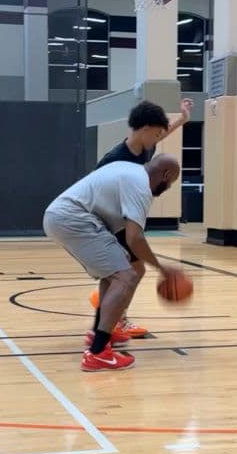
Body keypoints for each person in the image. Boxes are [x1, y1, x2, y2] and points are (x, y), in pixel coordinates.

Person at [44, 154, 184, 372]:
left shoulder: (128, 170)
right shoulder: (141, 187)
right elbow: (134, 238)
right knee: (124, 276)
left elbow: (125, 236)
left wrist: (139, 262)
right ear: (165, 174)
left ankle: (99, 334)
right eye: (171, 182)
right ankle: (98, 353)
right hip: (73, 219)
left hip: (66, 216)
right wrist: (163, 269)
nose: (169, 187)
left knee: (126, 269)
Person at [91, 97, 192, 338]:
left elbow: (162, 135)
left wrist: (182, 119)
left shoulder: (146, 147)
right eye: (157, 133)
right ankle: (110, 321)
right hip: (109, 221)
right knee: (128, 271)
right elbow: (94, 190)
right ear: (145, 129)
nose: (159, 138)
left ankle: (112, 318)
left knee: (131, 271)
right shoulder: (114, 158)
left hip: (123, 221)